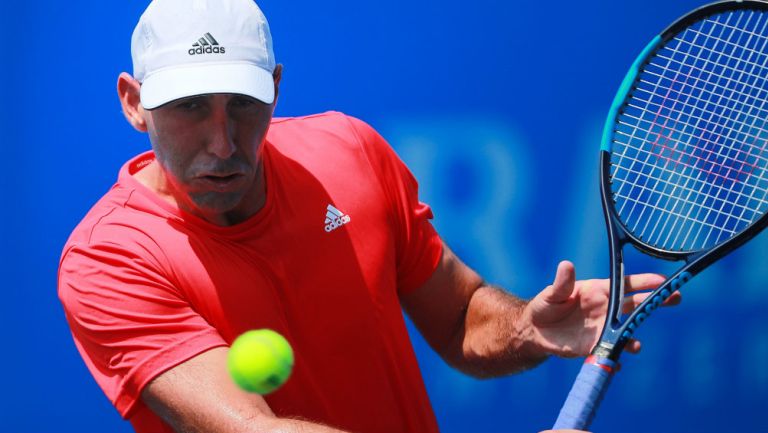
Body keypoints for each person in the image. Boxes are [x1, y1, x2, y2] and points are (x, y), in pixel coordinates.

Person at [57, 0, 679, 432]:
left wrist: (525, 329)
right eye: (191, 107)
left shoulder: (348, 154)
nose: (222, 143)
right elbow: (250, 430)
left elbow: (460, 317)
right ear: (135, 104)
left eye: (243, 105)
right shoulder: (109, 260)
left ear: (275, 87)